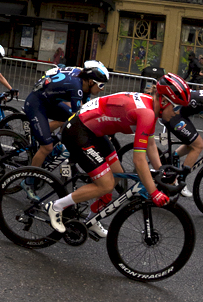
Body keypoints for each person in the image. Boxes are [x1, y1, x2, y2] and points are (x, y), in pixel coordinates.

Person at [44, 73, 190, 238]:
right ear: (164, 101)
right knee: (106, 184)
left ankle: (91, 220)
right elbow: (139, 159)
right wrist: (154, 192)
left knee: (117, 176)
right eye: (176, 107)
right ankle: (56, 206)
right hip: (79, 132)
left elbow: (150, 144)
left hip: (93, 131)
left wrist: (161, 171)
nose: (177, 113)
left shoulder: (150, 108)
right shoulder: (147, 114)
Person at [25, 61, 109, 171]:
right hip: (36, 104)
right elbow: (77, 119)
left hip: (49, 101)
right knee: (47, 147)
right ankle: (28, 181)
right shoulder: (76, 87)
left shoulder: (84, 83)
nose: (102, 89)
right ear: (91, 82)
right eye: (101, 85)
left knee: (67, 119)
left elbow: (88, 108)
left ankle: (51, 137)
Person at [162, 80, 203, 197]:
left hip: (180, 114)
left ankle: (174, 156)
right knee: (198, 145)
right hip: (174, 115)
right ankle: (181, 181)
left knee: (193, 141)